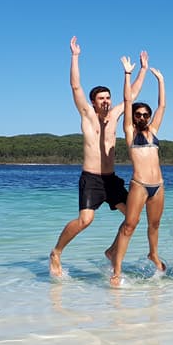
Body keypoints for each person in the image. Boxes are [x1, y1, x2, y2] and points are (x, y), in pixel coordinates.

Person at [49, 37, 147, 277]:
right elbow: (75, 87)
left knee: (133, 217)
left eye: (108, 97)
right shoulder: (87, 116)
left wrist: (142, 70)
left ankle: (113, 251)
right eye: (101, 98)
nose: (106, 101)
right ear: (93, 103)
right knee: (85, 220)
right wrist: (74, 57)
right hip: (91, 179)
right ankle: (57, 252)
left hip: (111, 179)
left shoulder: (115, 116)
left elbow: (131, 95)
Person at [106, 54, 166, 285]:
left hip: (158, 186)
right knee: (130, 225)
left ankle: (153, 254)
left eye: (145, 115)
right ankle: (117, 268)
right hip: (139, 184)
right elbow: (128, 99)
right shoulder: (130, 132)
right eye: (138, 114)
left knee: (155, 224)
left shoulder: (154, 131)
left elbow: (162, 105)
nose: (141, 117)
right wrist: (129, 73)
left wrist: (160, 80)